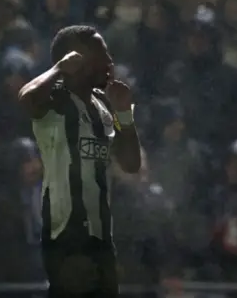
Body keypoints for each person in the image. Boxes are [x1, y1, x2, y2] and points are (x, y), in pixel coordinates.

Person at [18, 25, 142, 297]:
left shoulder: (103, 104)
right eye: (102, 55)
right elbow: (26, 97)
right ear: (75, 59)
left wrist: (124, 115)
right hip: (66, 234)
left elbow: (132, 163)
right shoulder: (55, 99)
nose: (110, 63)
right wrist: (59, 69)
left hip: (101, 234)